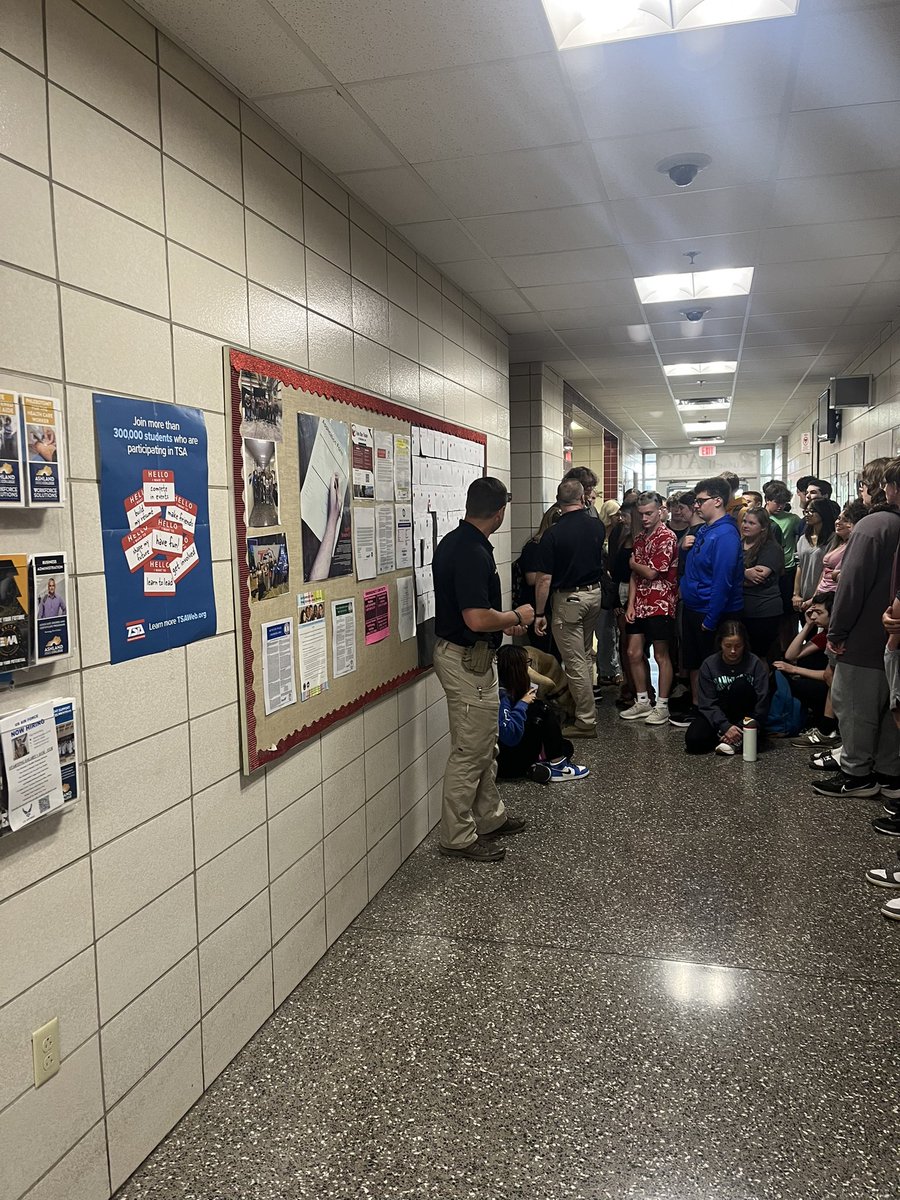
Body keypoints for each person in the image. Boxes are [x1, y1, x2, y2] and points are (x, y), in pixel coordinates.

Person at [432, 477, 534, 862]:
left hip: (470, 656)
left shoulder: (460, 543)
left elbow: (473, 614)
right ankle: (456, 837)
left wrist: (501, 623)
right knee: (470, 752)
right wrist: (515, 615)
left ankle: (489, 818)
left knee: (482, 744)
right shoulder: (471, 552)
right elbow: (475, 618)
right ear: (499, 512)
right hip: (464, 660)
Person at [813, 458, 900, 801]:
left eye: (864, 485)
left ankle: (857, 773)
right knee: (890, 708)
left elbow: (851, 587)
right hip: (891, 637)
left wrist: (836, 634)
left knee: (855, 710)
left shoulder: (873, 525)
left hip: (862, 637)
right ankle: (890, 774)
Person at [534, 478, 606, 739]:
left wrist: (539, 614)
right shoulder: (597, 526)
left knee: (574, 661)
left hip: (569, 602)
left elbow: (544, 579)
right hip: (594, 595)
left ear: (558, 500)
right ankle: (584, 710)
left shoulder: (552, 534)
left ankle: (586, 721)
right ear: (583, 498)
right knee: (585, 656)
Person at [669, 477, 743, 728]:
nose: (697, 506)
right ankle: (698, 706)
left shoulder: (725, 535)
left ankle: (716, 713)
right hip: (693, 606)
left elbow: (723, 581)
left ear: (718, 501)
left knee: (712, 665)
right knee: (693, 662)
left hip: (711, 612)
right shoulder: (704, 530)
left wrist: (711, 618)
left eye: (701, 501)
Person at [620, 491, 677, 725]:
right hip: (640, 602)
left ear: (660, 511)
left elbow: (653, 572)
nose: (644, 518)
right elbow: (635, 576)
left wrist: (634, 563)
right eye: (641, 514)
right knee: (633, 652)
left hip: (660, 602)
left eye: (649, 513)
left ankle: (662, 704)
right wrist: (630, 604)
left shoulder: (667, 537)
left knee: (661, 654)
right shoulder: (641, 538)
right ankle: (642, 700)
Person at [496, 647, 589, 783]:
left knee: (566, 746)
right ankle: (558, 766)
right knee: (541, 709)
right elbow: (508, 735)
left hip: (505, 762)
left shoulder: (507, 690)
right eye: (526, 663)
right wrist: (523, 704)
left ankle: (534, 768)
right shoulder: (502, 697)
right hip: (506, 762)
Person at [685, 621, 769, 755]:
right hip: (718, 714)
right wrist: (725, 726)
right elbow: (707, 703)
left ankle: (736, 737)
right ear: (720, 644)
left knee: (741, 685)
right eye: (728, 646)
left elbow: (762, 702)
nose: (733, 651)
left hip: (746, 716)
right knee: (694, 741)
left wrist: (741, 726)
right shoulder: (709, 664)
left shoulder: (754, 663)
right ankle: (728, 738)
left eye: (738, 646)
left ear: (744, 645)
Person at [773, 594, 836, 742]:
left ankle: (827, 729)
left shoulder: (837, 635)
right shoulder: (825, 634)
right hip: (826, 683)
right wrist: (808, 626)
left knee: (795, 680)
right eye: (812, 611)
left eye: (819, 613)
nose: (813, 616)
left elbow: (829, 675)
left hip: (833, 687)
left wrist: (794, 669)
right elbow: (791, 654)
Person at [739, 506, 784, 662]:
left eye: (752, 523)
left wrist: (732, 578)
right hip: (742, 608)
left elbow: (757, 578)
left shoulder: (770, 548)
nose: (746, 525)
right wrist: (744, 573)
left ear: (763, 527)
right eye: (745, 521)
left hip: (763, 610)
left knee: (759, 656)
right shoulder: (738, 544)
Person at [794, 497, 837, 614]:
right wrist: (796, 594)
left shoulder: (833, 539)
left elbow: (826, 570)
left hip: (824, 596)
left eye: (812, 511)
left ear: (823, 513)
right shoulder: (803, 539)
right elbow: (799, 566)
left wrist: (814, 597)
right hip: (804, 595)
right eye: (806, 511)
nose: (807, 514)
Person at [814, 501, 866, 594]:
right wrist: (814, 597)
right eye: (838, 518)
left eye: (845, 520)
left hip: (834, 594)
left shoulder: (854, 545)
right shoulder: (837, 542)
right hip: (822, 592)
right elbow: (824, 573)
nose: (838, 522)